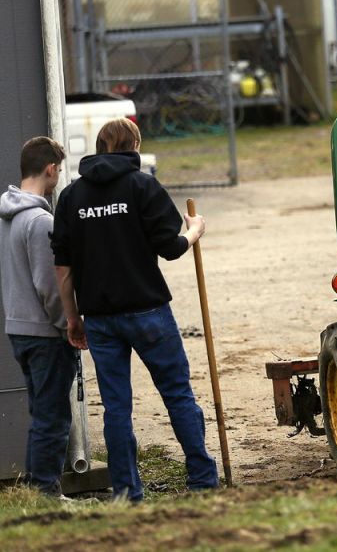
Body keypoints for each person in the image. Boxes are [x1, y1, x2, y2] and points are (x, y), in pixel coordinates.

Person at [51, 118, 218, 502]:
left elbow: (63, 265)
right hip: (149, 312)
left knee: (116, 408)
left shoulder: (72, 197)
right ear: (135, 145)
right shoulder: (142, 186)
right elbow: (171, 247)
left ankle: (127, 492)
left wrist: (72, 317)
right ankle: (202, 482)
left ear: (98, 147)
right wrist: (194, 230)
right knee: (177, 394)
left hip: (99, 319)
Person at [0, 137, 82, 497]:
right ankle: (48, 494)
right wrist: (69, 325)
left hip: (18, 328)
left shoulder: (8, 216)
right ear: (50, 168)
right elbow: (50, 286)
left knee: (42, 414)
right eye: (59, 171)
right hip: (45, 334)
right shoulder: (40, 221)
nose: (58, 177)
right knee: (53, 417)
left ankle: (38, 491)